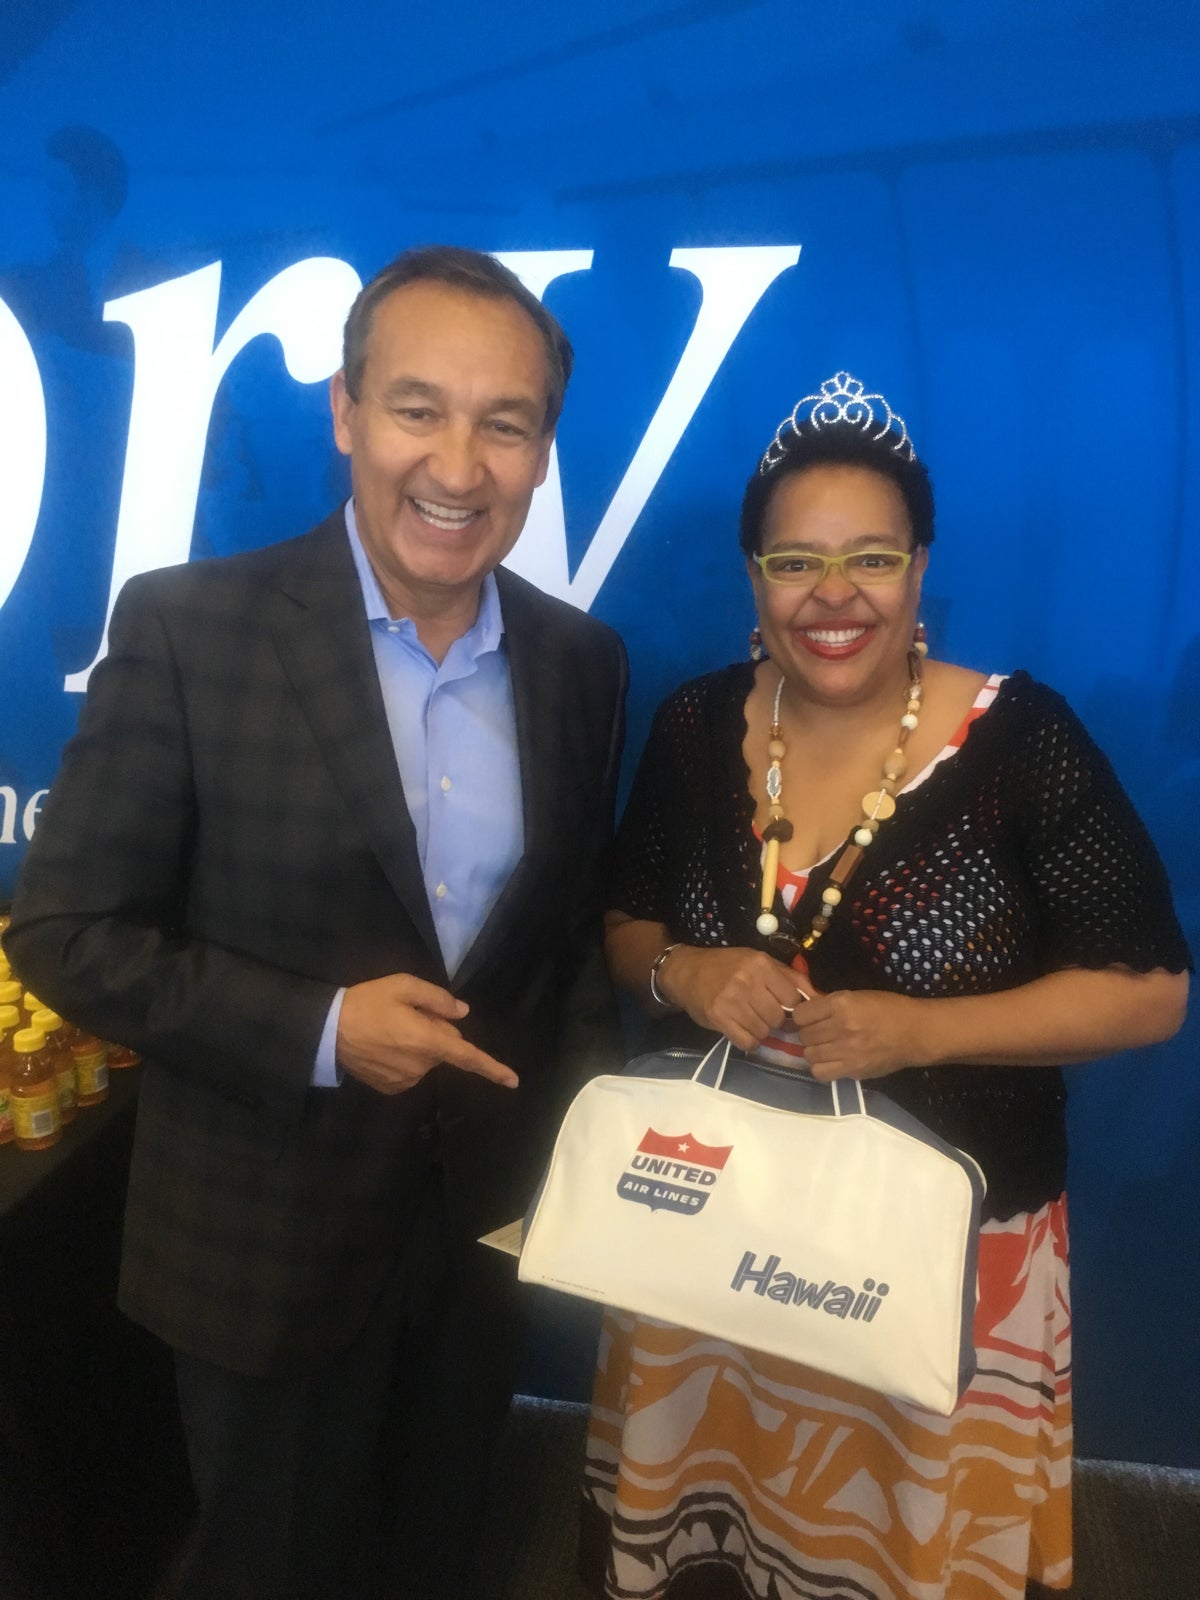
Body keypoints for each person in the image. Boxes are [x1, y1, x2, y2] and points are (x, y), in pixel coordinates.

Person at [4, 245, 628, 1600]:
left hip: (479, 1241)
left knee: (439, 1553)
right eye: (417, 408)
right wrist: (326, 1029)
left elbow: (566, 939)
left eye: (504, 424)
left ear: (540, 453)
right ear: (346, 412)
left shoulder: (582, 663)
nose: (457, 465)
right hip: (258, 1248)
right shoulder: (191, 630)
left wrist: (594, 1157)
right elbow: (66, 929)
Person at [580, 373, 1189, 1600]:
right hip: (715, 1229)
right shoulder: (696, 724)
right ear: (754, 579)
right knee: (717, 1529)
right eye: (796, 561)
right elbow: (622, 925)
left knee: (895, 1547)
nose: (835, 593)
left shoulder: (1022, 739)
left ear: (919, 570)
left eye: (871, 556)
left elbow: (1150, 992)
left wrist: (921, 1030)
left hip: (942, 1251)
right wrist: (685, 972)